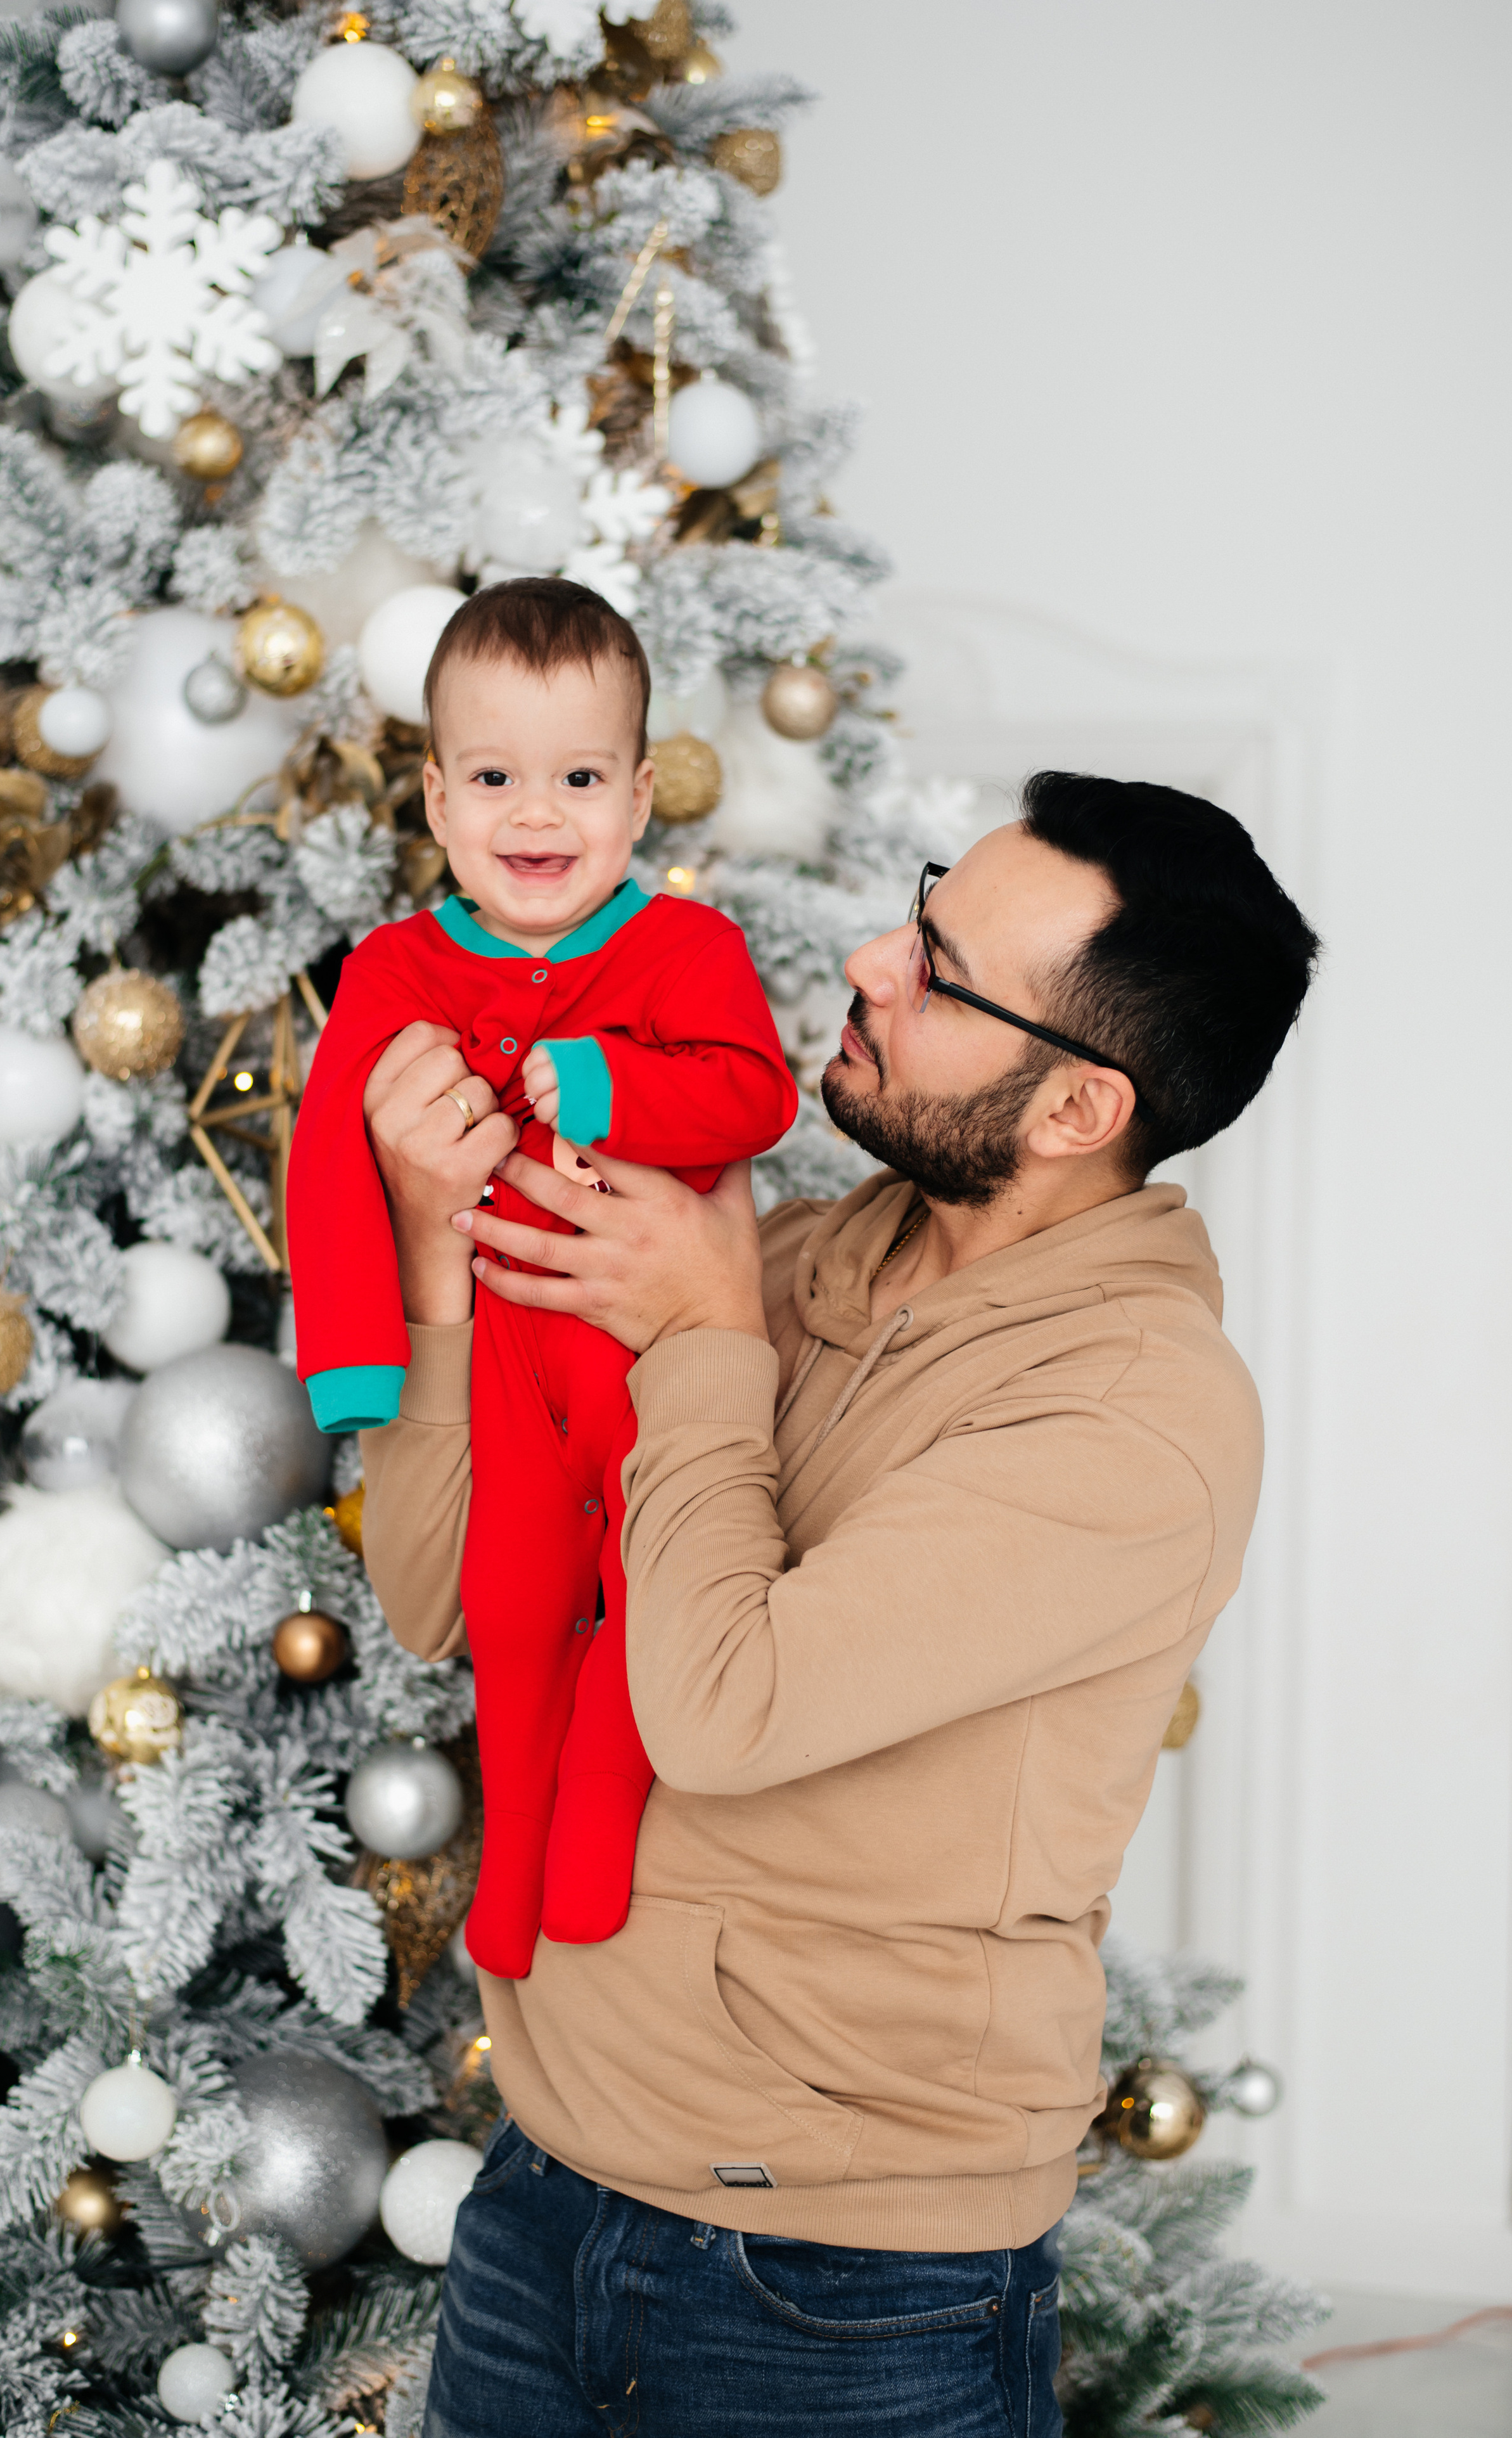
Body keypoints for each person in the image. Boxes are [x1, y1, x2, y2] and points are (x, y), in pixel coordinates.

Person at [360, 772, 1320, 2438]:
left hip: (836, 2285)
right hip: (544, 2194)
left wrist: (706, 1341)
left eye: (941, 969)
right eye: (922, 902)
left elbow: (726, 1717)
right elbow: (434, 1599)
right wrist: (443, 1278)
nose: (875, 957)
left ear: (1078, 1112)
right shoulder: (794, 1261)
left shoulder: (1138, 1422)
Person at [287, 579, 797, 1979]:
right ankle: (513, 1857)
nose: (537, 816)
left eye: (577, 778)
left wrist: (597, 1077)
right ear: (439, 802)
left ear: (638, 802)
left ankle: (593, 1835)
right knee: (512, 1614)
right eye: (497, 778)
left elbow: (751, 1096)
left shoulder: (686, 952)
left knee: (643, 1610)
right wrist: (356, 1364)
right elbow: (332, 1166)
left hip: (640, 1366)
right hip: (506, 1376)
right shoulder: (395, 970)